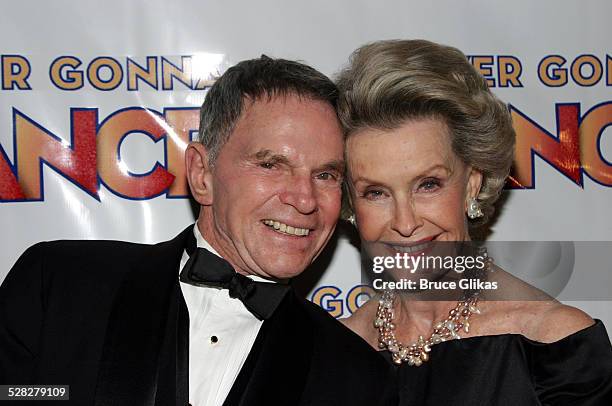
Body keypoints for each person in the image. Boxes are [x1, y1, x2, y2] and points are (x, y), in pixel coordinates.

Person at [0, 56, 396, 405]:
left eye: (325, 174)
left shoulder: (357, 377)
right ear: (202, 173)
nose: (306, 199)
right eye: (271, 164)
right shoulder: (58, 284)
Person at [336, 39, 612, 404]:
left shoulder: (552, 345)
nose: (404, 222)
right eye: (376, 193)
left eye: (428, 185)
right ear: (351, 204)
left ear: (471, 184)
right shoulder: (338, 350)